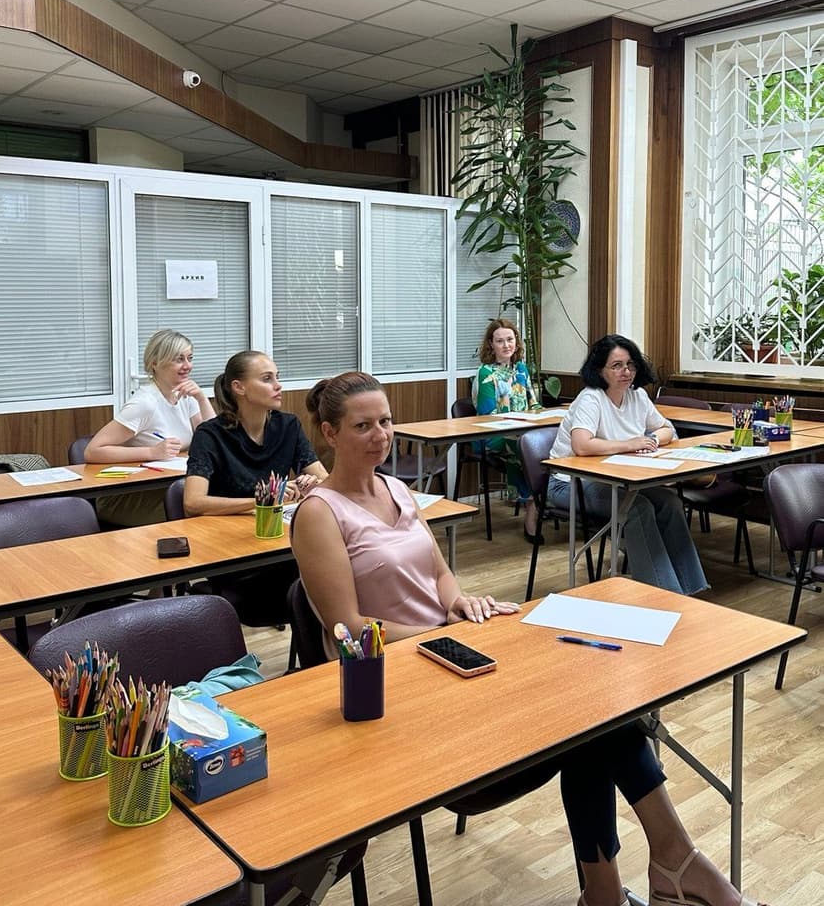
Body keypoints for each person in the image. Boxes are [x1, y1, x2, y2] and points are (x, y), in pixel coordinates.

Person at [292, 371, 765, 906]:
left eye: (386, 421)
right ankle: (671, 869)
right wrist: (439, 631)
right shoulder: (319, 513)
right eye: (363, 426)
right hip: (394, 684)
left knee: (594, 710)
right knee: (589, 720)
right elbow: (348, 627)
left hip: (457, 656)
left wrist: (458, 603)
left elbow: (441, 574)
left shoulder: (398, 489)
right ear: (329, 434)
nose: (382, 435)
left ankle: (632, 884)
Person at [548, 335, 708, 596]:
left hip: (618, 480)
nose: (626, 372)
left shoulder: (638, 396)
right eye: (617, 366)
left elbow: (667, 429)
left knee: (670, 503)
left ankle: (692, 589)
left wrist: (652, 440)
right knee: (637, 508)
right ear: (600, 370)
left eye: (631, 365)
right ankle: (664, 595)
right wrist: (631, 444)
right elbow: (582, 445)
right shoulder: (591, 398)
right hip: (568, 483)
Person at [183, 350, 328, 625]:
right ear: (239, 388)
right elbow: (193, 502)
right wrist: (261, 501)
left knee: (327, 568)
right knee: (314, 580)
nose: (278, 385)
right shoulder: (210, 435)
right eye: (267, 379)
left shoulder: (288, 426)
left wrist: (313, 484)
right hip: (234, 558)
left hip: (282, 548)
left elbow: (324, 478)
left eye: (278, 377)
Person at [84, 328, 216, 526]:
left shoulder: (184, 395)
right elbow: (93, 451)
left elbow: (215, 441)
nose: (187, 366)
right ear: (155, 363)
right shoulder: (145, 403)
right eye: (178, 359)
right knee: (204, 510)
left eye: (190, 358)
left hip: (170, 487)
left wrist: (201, 398)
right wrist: (152, 452)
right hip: (131, 496)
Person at [472, 318, 541, 538]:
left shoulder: (521, 369)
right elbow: (487, 415)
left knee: (544, 442)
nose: (506, 345)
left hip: (523, 431)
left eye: (509, 339)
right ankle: (532, 504)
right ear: (491, 345)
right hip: (492, 435)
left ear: (516, 342)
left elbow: (534, 403)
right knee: (522, 444)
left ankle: (547, 499)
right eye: (499, 341)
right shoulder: (486, 373)